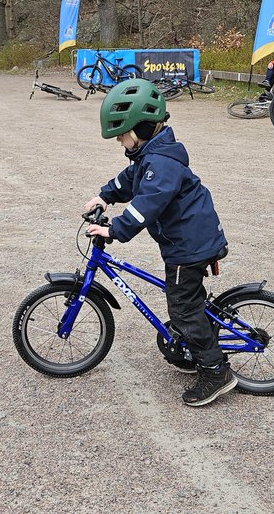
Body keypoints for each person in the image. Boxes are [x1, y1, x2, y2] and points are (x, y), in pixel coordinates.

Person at [81, 79, 235, 407]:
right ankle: (195, 343)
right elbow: (131, 180)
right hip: (188, 241)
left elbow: (148, 202)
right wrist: (105, 196)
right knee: (186, 303)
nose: (120, 141)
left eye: (122, 134)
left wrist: (115, 230)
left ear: (143, 127)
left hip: (188, 247)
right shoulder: (152, 155)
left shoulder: (161, 163)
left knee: (182, 307)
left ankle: (215, 370)